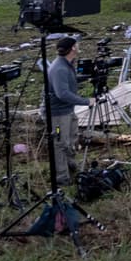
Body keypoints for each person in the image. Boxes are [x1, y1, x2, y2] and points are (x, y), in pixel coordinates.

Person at [43, 36, 95, 188]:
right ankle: (62, 179)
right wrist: (86, 101)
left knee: (71, 139)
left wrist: (88, 77)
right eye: (77, 45)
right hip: (57, 116)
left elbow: (69, 81)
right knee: (59, 142)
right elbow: (62, 93)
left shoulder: (67, 64)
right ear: (72, 47)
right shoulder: (59, 68)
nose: (79, 46)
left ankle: (72, 167)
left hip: (67, 111)